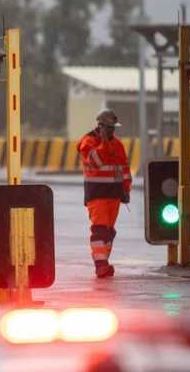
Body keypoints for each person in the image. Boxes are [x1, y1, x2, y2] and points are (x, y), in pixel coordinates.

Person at [78, 109, 132, 278]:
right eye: (108, 128)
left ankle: (104, 262)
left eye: (112, 128)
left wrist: (126, 189)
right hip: (97, 194)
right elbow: (96, 162)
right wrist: (103, 141)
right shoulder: (88, 142)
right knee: (100, 230)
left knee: (109, 232)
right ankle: (100, 265)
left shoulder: (118, 145)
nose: (111, 131)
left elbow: (124, 169)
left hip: (114, 195)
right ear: (100, 126)